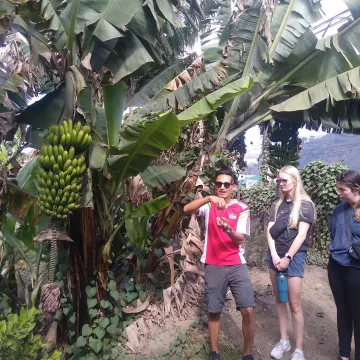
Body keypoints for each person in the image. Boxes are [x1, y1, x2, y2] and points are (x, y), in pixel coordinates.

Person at [184, 169, 255, 360]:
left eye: (226, 184)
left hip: (236, 264)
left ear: (233, 186)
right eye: (218, 184)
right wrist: (208, 199)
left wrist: (227, 229)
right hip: (213, 264)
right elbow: (186, 209)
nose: (222, 187)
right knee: (214, 310)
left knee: (248, 309)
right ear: (214, 186)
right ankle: (214, 352)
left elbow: (240, 239)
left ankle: (248, 354)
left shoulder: (242, 208)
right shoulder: (209, 206)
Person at [266, 165, 315, 360]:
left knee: (294, 303)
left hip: (293, 258)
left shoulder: (305, 204)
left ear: (295, 180)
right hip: (274, 257)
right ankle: (284, 340)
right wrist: (275, 256)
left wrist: (287, 258)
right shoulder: (277, 205)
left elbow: (301, 234)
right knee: (279, 299)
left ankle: (299, 349)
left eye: (284, 180)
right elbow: (269, 233)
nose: (281, 183)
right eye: (279, 180)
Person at [328, 170, 360, 360]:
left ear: (356, 189)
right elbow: (333, 233)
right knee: (343, 311)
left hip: (356, 269)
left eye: (342, 189)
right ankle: (344, 354)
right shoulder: (338, 210)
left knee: (358, 315)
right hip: (336, 266)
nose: (339, 193)